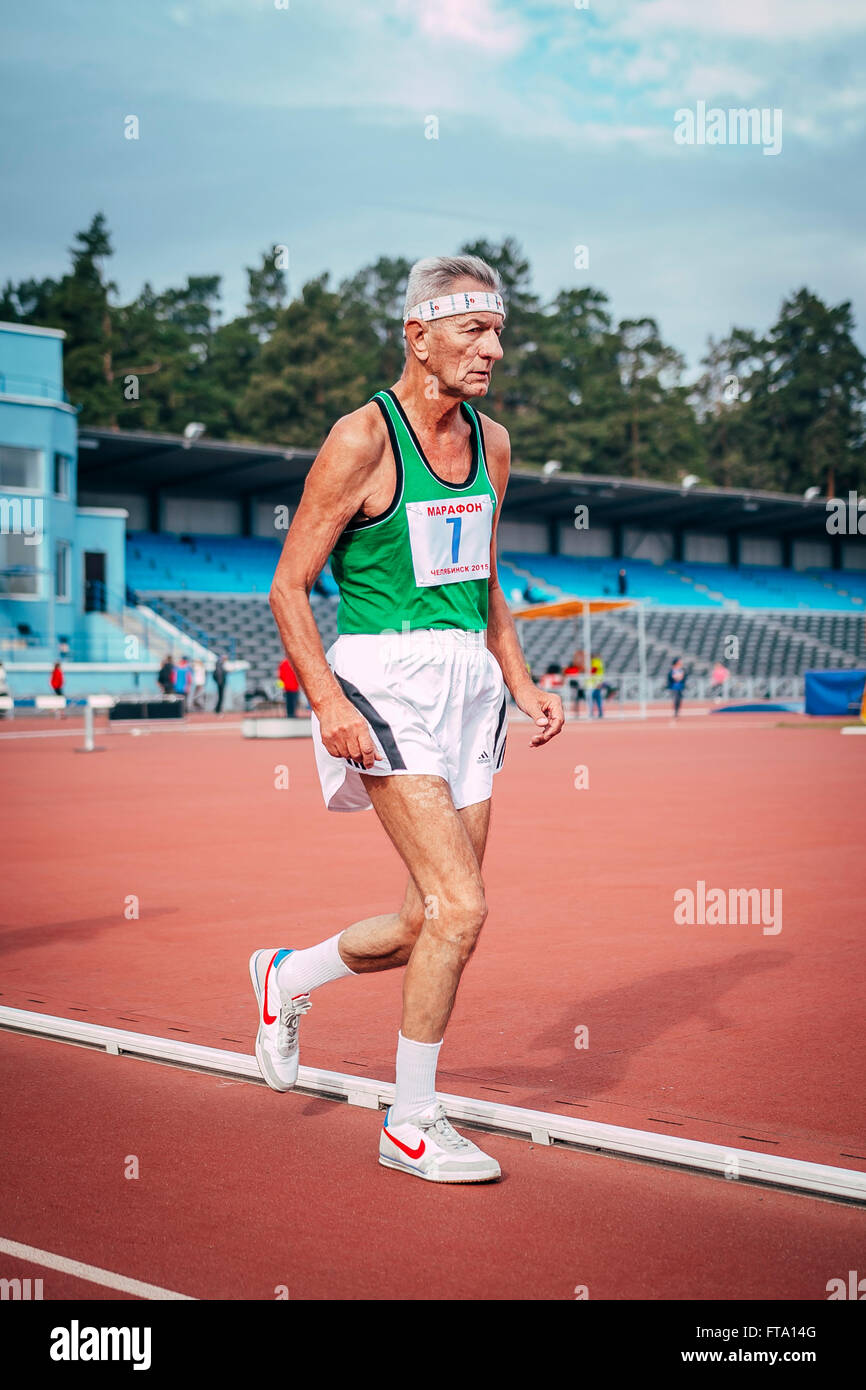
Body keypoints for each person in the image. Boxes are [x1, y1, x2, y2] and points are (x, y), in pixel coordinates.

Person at [261, 253, 565, 1185]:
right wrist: (328, 702)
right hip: (382, 678)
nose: (494, 350)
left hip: (468, 684)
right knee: (462, 907)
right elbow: (288, 586)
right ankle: (412, 1119)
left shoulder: (495, 444)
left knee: (420, 920)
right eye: (474, 331)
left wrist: (519, 678)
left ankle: (286, 977)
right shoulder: (361, 439)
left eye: (499, 331)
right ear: (418, 335)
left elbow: (485, 579)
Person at [587, 652, 605, 717]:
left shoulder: (596, 661)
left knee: (593, 698)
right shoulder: (599, 662)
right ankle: (599, 712)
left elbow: (593, 670)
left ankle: (593, 712)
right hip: (597, 682)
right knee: (597, 698)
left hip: (595, 683)